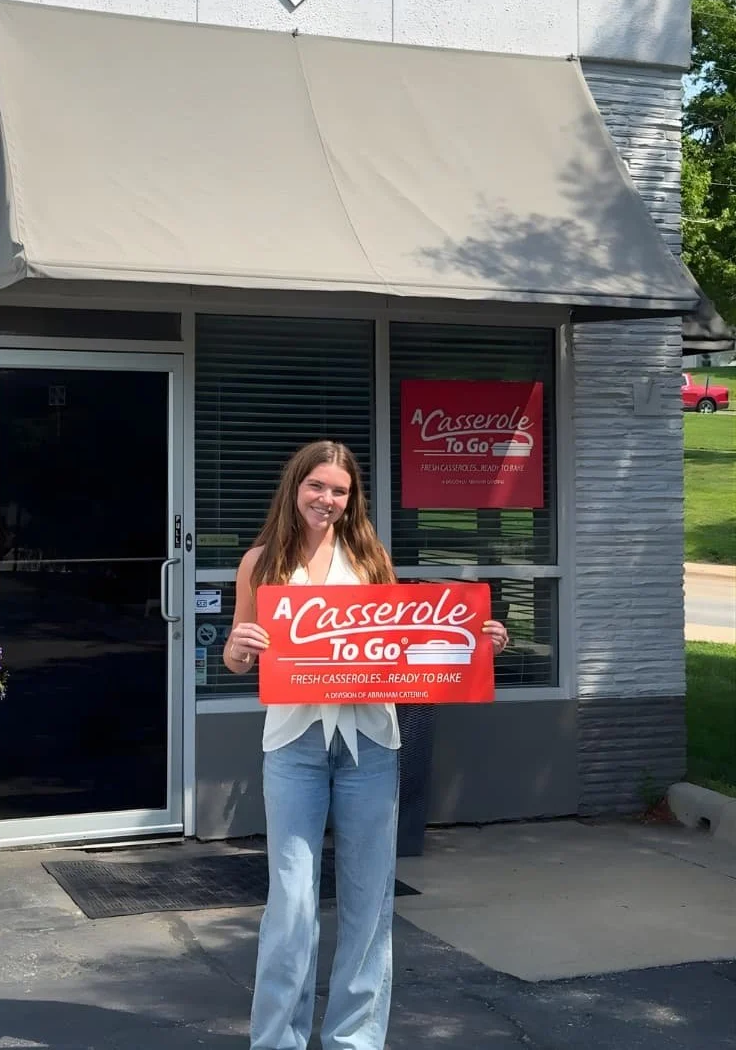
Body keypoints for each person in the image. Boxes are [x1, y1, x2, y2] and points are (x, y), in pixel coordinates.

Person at [225, 440, 508, 1050]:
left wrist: (476, 636)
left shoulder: (371, 558)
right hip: (294, 744)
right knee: (292, 902)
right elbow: (236, 656)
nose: (327, 499)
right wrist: (240, 646)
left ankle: (355, 1040)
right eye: (317, 486)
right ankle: (277, 1040)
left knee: (368, 899)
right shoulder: (260, 564)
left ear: (352, 500)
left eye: (340, 490)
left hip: (371, 744)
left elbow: (407, 636)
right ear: (295, 486)